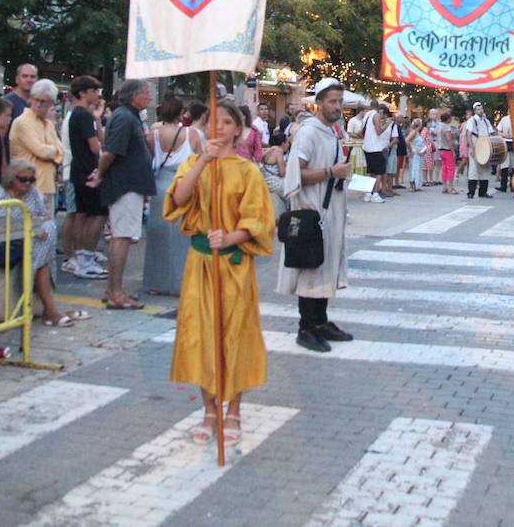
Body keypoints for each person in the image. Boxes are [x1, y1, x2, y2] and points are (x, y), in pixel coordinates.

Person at [163, 100, 274, 448]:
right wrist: (203, 163)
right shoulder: (195, 163)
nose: (220, 127)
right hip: (200, 265)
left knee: (235, 334)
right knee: (202, 334)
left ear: (239, 129)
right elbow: (179, 197)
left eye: (228, 122)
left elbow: (258, 220)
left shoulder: (248, 171)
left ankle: (235, 410)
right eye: (215, 122)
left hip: (234, 265)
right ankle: (209, 409)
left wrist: (231, 237)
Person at [279, 77, 353, 352]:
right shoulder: (309, 132)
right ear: (318, 103)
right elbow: (294, 174)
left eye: (340, 101)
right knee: (312, 268)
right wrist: (330, 173)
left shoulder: (332, 131)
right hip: (312, 211)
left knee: (326, 266)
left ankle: (320, 322)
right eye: (332, 101)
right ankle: (306, 327)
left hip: (329, 209)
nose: (337, 106)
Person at [0, 157, 83, 328]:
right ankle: (50, 310)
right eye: (23, 179)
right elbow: (0, 227)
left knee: (48, 231)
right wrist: (31, 228)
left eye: (31, 180)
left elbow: (43, 215)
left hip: (29, 241)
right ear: (12, 178)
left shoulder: (32, 194)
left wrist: (34, 227)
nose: (28, 184)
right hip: (3, 242)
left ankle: (47, 306)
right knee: (45, 245)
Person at [91, 78, 155, 310]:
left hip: (130, 184)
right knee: (122, 236)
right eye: (147, 93)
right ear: (135, 96)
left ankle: (114, 289)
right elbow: (109, 153)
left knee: (123, 236)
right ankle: (115, 293)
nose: (149, 97)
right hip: (125, 185)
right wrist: (99, 174)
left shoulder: (129, 117)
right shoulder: (125, 117)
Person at [144, 96, 202, 295]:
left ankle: (155, 282)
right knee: (182, 234)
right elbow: (200, 157)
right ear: (181, 113)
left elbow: (152, 158)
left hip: (160, 183)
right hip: (183, 182)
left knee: (157, 233)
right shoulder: (191, 134)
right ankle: (181, 281)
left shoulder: (153, 134)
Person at [62, 77, 108, 280]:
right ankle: (86, 258)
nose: (97, 95)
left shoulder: (79, 115)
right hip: (89, 170)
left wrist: (97, 117)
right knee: (97, 214)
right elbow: (97, 145)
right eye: (94, 91)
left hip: (78, 170)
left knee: (82, 214)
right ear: (83, 93)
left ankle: (80, 257)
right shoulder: (82, 116)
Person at [9, 79, 63, 205]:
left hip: (47, 184)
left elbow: (61, 150)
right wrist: (56, 150)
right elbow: (42, 151)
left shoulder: (48, 123)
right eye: (35, 100)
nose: (38, 104)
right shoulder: (22, 121)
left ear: (51, 103)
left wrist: (55, 151)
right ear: (30, 99)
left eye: (43, 101)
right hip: (27, 186)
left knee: (47, 224)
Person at [361, 104, 391, 203]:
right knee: (379, 172)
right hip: (376, 147)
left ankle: (368, 193)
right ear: (380, 109)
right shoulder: (376, 115)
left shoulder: (366, 115)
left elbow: (361, 131)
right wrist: (387, 124)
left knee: (370, 171)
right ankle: (375, 193)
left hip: (367, 146)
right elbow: (379, 131)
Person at [464, 102, 494, 200]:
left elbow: (491, 133)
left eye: (481, 109)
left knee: (484, 170)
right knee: (473, 170)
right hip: (476, 147)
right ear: (475, 111)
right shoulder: (472, 121)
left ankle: (483, 192)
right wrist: (471, 148)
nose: (480, 110)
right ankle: (471, 192)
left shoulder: (486, 121)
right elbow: (468, 134)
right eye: (478, 109)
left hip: (485, 148)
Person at [437, 112, 460, 195]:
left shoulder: (439, 126)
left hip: (440, 149)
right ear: (447, 119)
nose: (451, 119)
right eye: (450, 118)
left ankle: (444, 186)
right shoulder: (447, 127)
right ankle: (451, 187)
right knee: (451, 168)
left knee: (444, 168)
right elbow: (449, 139)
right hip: (447, 149)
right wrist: (453, 151)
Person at [406, 118, 426, 192]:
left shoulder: (417, 132)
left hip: (419, 152)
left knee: (417, 168)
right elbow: (407, 140)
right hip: (415, 152)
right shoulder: (414, 132)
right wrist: (411, 149)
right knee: (414, 168)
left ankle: (417, 184)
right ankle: (413, 183)